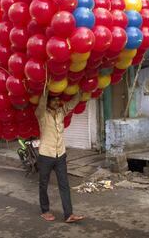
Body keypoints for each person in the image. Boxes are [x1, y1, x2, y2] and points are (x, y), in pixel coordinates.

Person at [35, 90, 84, 223]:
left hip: (60, 154)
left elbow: (72, 104)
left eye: (58, 100)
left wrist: (81, 92)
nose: (57, 102)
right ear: (48, 101)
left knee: (64, 185)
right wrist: (45, 88)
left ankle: (69, 214)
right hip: (46, 155)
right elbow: (42, 103)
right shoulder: (41, 114)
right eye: (54, 100)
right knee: (43, 184)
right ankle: (45, 211)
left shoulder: (61, 112)